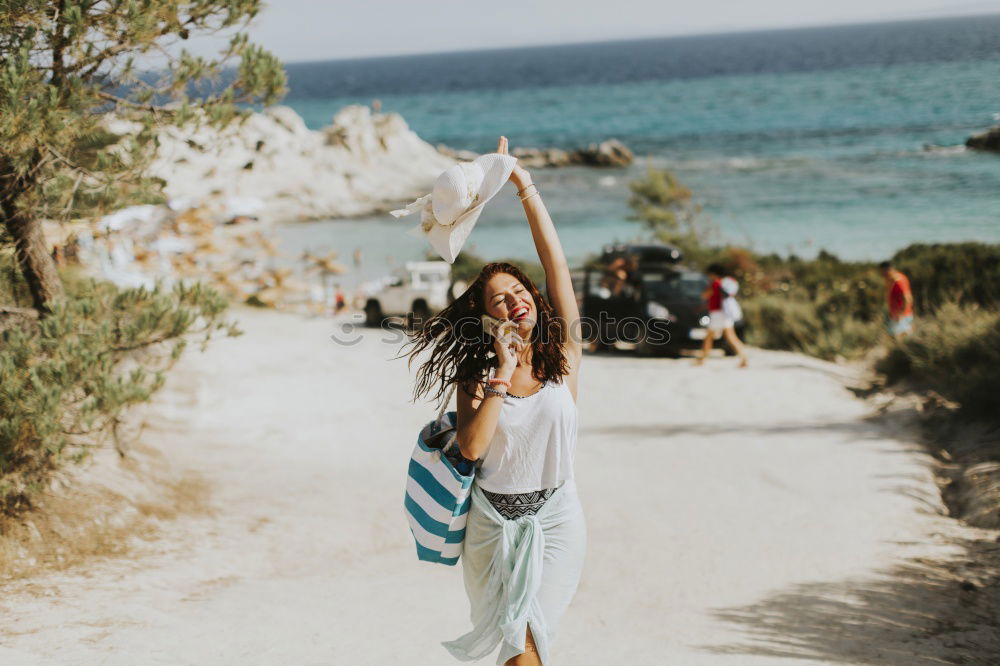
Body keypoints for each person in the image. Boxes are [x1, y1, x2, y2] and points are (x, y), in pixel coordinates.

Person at [401, 137, 584, 666]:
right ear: (489, 315)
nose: (516, 299)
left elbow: (558, 268)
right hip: (491, 527)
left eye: (520, 290)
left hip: (556, 518)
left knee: (528, 641)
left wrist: (522, 182)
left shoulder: (564, 357)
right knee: (513, 651)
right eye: (500, 297)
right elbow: (474, 447)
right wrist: (501, 373)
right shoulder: (476, 373)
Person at [695, 263, 748, 368]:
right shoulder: (723, 284)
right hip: (723, 314)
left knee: (714, 337)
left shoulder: (716, 284)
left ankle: (702, 359)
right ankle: (743, 358)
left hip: (718, 314)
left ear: (713, 274)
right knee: (727, 337)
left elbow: (705, 295)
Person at [879, 260, 914, 339]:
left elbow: (908, 298)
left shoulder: (898, 281)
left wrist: (901, 314)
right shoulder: (894, 279)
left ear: (888, 270)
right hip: (897, 315)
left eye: (883, 272)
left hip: (901, 316)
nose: (882, 275)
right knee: (896, 338)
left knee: (898, 339)